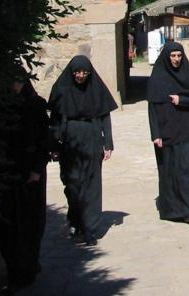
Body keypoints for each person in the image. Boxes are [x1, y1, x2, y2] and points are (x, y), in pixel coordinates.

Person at [49, 55, 117, 246]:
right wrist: (53, 145)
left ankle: (90, 228)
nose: (81, 76)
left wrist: (108, 143)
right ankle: (75, 221)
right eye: (77, 72)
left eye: (84, 73)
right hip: (70, 141)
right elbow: (55, 120)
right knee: (72, 184)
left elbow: (105, 116)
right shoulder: (61, 89)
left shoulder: (96, 89)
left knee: (92, 185)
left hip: (92, 138)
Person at [0, 76, 50, 294]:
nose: (14, 85)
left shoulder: (35, 105)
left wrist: (37, 169)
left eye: (18, 81)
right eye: (11, 81)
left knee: (29, 221)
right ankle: (14, 270)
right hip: (6, 171)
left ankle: (27, 267)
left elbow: (43, 139)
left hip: (30, 172)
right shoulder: (1, 106)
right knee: (8, 223)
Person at [147, 42, 189, 225]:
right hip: (166, 132)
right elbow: (152, 108)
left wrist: (182, 100)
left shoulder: (187, 74)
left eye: (179, 56)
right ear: (167, 56)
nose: (176, 59)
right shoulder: (157, 77)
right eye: (173, 56)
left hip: (186, 129)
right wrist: (155, 134)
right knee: (171, 171)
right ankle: (175, 210)